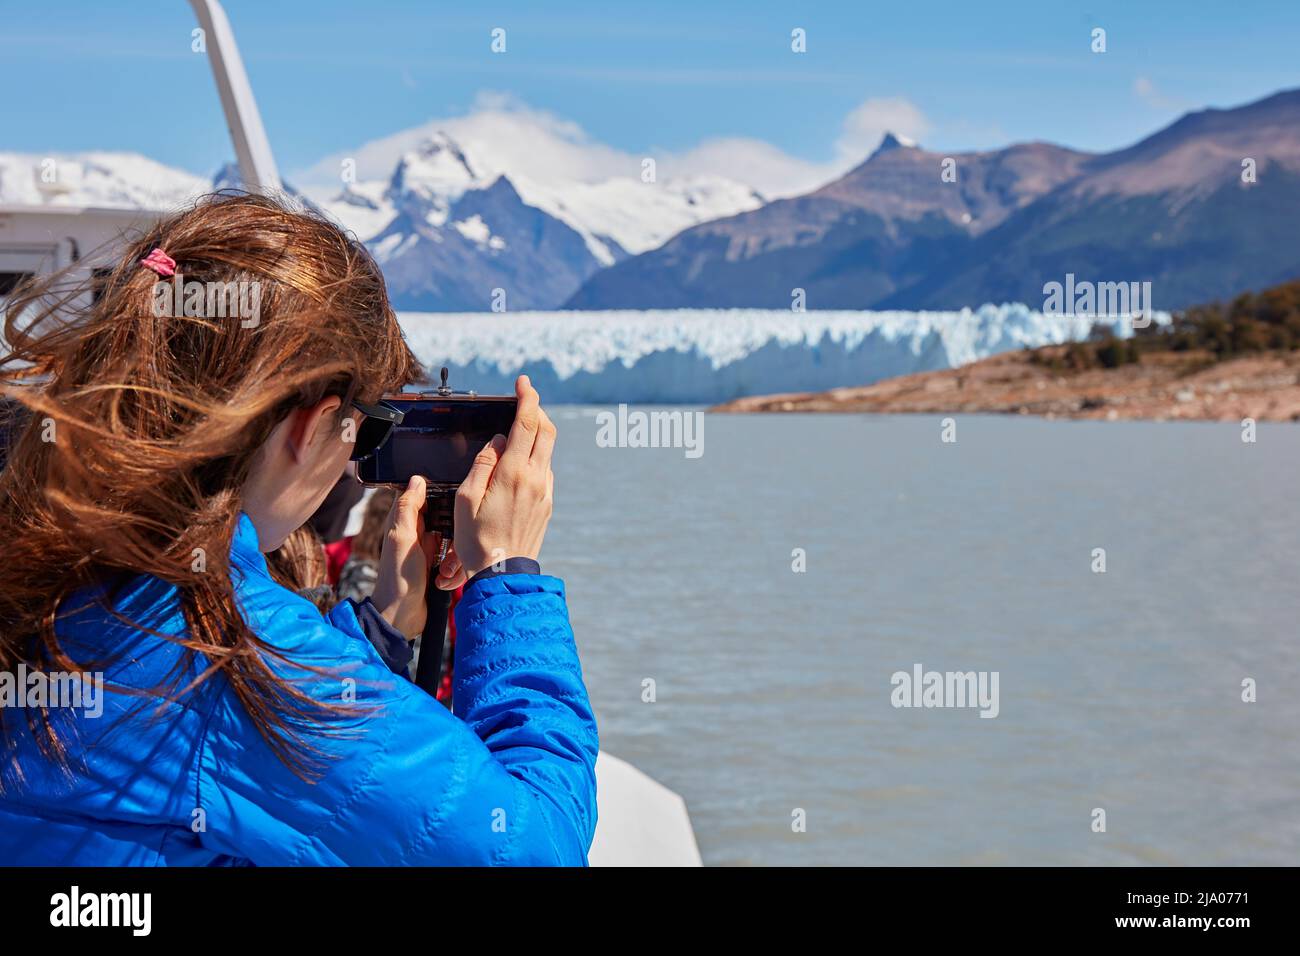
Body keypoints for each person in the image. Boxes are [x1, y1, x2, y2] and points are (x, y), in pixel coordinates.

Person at [0, 193, 597, 865]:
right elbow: (535, 848)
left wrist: (381, 631)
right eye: (369, 430)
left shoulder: (53, 547)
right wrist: (507, 575)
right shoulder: (228, 651)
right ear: (315, 426)